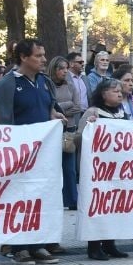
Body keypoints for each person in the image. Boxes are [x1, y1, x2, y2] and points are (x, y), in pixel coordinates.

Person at [0, 39, 66, 265]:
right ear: (23, 57)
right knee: (17, 198)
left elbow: (49, 110)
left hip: (42, 154)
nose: (44, 59)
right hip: (17, 153)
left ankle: (38, 244)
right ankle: (18, 247)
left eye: (44, 55)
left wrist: (56, 117)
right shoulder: (6, 84)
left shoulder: (45, 82)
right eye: (39, 55)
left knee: (39, 197)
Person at [77, 80, 132, 260]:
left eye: (119, 91)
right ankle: (94, 247)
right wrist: (89, 126)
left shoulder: (123, 113)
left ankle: (110, 244)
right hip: (97, 172)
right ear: (103, 94)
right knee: (97, 207)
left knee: (114, 206)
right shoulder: (92, 113)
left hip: (117, 170)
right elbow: (79, 139)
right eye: (114, 91)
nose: (119, 94)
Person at [49, 56, 85, 211]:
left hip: (68, 129)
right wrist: (64, 106)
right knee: (51, 167)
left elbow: (78, 106)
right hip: (51, 130)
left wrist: (57, 107)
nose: (64, 71)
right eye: (61, 68)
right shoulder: (47, 85)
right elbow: (47, 106)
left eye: (66, 68)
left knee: (69, 168)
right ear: (54, 69)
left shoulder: (71, 86)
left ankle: (71, 199)